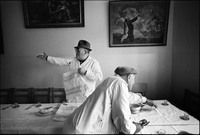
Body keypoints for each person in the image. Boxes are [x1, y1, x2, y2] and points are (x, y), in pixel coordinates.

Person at [62, 66, 157, 134]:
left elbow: (128, 96)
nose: (134, 82)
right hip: (82, 130)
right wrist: (134, 127)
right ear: (129, 77)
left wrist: (145, 100)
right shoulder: (120, 83)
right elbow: (123, 119)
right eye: (134, 79)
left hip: (72, 125)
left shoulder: (111, 80)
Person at [37, 40, 103, 103]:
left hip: (87, 97)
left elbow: (99, 77)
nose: (76, 52)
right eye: (76, 50)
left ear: (85, 52)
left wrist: (86, 72)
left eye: (78, 50)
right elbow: (60, 61)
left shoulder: (94, 62)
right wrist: (47, 58)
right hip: (73, 97)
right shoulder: (72, 60)